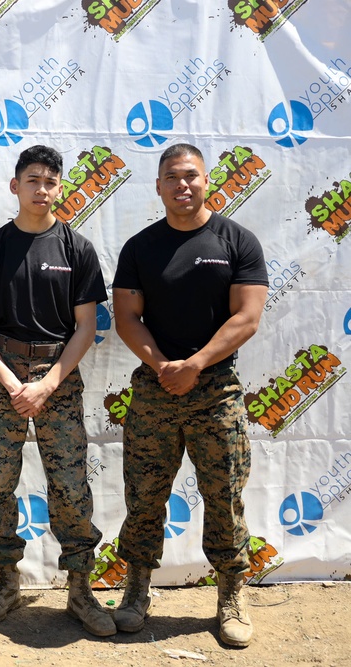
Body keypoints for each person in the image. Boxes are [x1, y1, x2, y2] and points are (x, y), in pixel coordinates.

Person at [112, 143, 268, 647]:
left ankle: (231, 593)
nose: (183, 185)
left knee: (224, 497)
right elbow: (126, 317)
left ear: (207, 181)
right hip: (155, 392)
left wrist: (196, 364)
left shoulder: (237, 241)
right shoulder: (140, 247)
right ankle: (136, 589)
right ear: (158, 186)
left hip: (216, 392)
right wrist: (163, 367)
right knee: (144, 498)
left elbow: (246, 317)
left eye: (191, 176)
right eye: (172, 178)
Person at [0, 145, 114, 637]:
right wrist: (12, 383)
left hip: (59, 380)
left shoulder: (77, 249)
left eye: (51, 181)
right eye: (33, 180)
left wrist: (48, 382)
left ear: (60, 188)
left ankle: (79, 589)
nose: (42, 190)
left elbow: (86, 327)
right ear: (15, 186)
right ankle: (5, 582)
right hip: (1, 379)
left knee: (71, 486)